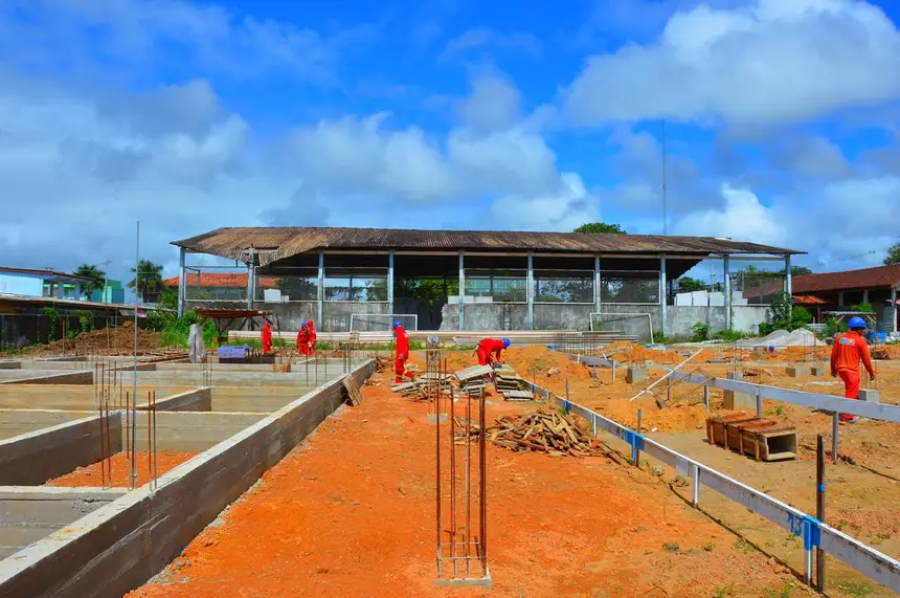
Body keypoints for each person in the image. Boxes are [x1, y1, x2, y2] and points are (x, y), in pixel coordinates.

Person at [831, 316, 875, 424]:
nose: (863, 332)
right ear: (859, 329)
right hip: (852, 372)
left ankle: (853, 410)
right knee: (851, 392)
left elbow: (833, 356)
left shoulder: (840, 338)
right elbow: (866, 360)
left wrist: (833, 369)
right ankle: (847, 417)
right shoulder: (860, 341)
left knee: (851, 390)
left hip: (842, 370)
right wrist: (871, 372)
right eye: (863, 329)